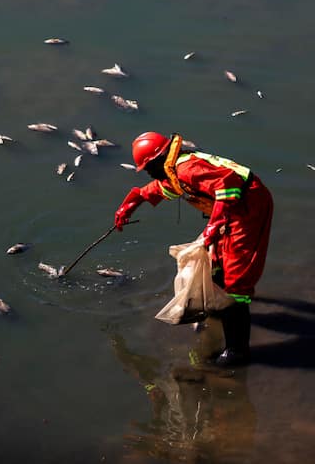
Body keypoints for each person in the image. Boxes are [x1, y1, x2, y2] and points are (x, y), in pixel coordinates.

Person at [114, 132, 274, 366]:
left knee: (237, 278)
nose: (148, 172)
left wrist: (214, 225)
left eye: (148, 167)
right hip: (230, 209)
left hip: (249, 208)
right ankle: (221, 306)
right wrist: (130, 204)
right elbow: (161, 188)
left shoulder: (189, 169)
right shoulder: (175, 169)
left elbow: (228, 185)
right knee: (216, 261)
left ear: (160, 159)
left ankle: (237, 350)